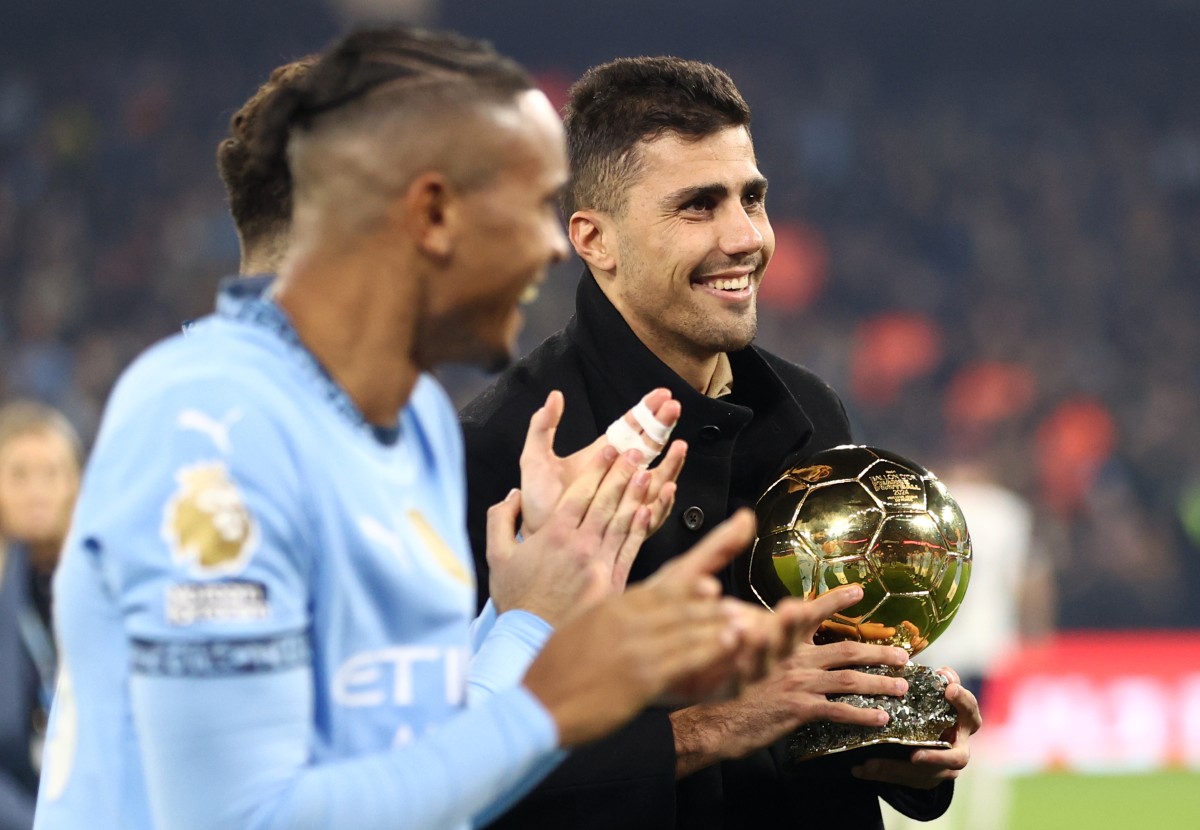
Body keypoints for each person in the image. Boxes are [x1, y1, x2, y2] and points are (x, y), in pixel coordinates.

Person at [32, 27, 840, 830]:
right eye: (528, 206)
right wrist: (560, 691)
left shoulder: (405, 427)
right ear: (432, 218)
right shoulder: (209, 427)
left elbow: (406, 760)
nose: (550, 251)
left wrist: (526, 606)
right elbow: (251, 818)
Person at [460, 56, 982, 829]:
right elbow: (456, 777)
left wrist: (894, 736)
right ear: (594, 239)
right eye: (697, 207)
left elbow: (807, 701)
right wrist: (715, 728)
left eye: (752, 197)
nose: (744, 238)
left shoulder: (809, 414)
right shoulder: (501, 451)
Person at [0, 402, 82, 830]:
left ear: (76, 483)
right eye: (18, 475)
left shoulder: (99, 590)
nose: (37, 492)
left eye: (52, 474)